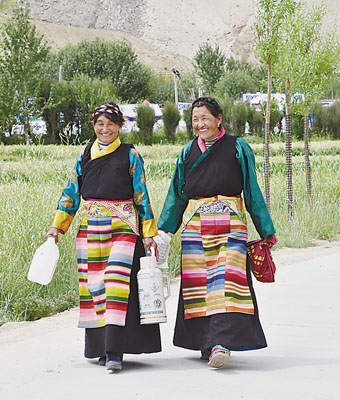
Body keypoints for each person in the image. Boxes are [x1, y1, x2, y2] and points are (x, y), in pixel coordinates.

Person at [157, 97, 277, 369]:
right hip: (195, 225)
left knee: (226, 283)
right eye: (195, 120)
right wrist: (164, 231)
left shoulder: (238, 148)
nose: (200, 124)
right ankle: (206, 340)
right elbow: (177, 194)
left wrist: (265, 230)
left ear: (219, 118)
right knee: (199, 285)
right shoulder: (187, 152)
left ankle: (222, 343)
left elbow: (252, 190)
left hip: (231, 224)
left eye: (205, 119)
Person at [46, 102, 161, 372]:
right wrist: (58, 226)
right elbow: (72, 191)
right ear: (93, 125)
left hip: (122, 226)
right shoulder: (85, 154)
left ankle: (115, 351)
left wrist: (148, 233)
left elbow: (141, 194)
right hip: (89, 227)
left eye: (110, 124)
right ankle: (100, 347)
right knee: (94, 286)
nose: (105, 129)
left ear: (120, 126)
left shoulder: (130, 155)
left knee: (114, 284)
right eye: (100, 124)